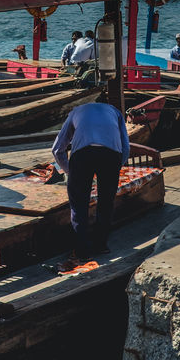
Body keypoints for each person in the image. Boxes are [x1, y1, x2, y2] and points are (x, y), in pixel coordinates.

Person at [52, 94, 130, 265]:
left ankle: (82, 251)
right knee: (106, 201)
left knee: (79, 204)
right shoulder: (115, 112)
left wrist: (69, 171)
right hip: (111, 155)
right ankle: (101, 245)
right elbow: (126, 147)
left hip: (83, 155)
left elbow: (58, 149)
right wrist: (116, 166)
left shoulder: (75, 112)